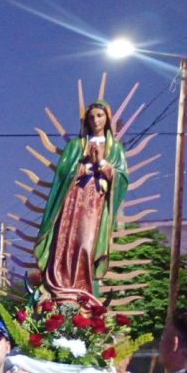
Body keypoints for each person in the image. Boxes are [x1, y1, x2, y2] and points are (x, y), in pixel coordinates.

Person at [34, 100, 129, 306]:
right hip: (72, 203)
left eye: (100, 116)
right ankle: (62, 286)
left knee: (87, 244)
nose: (96, 120)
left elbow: (122, 178)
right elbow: (62, 173)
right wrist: (81, 169)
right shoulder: (75, 146)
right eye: (92, 116)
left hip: (95, 206)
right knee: (66, 243)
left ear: (108, 119)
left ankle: (83, 290)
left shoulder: (116, 148)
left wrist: (103, 164)